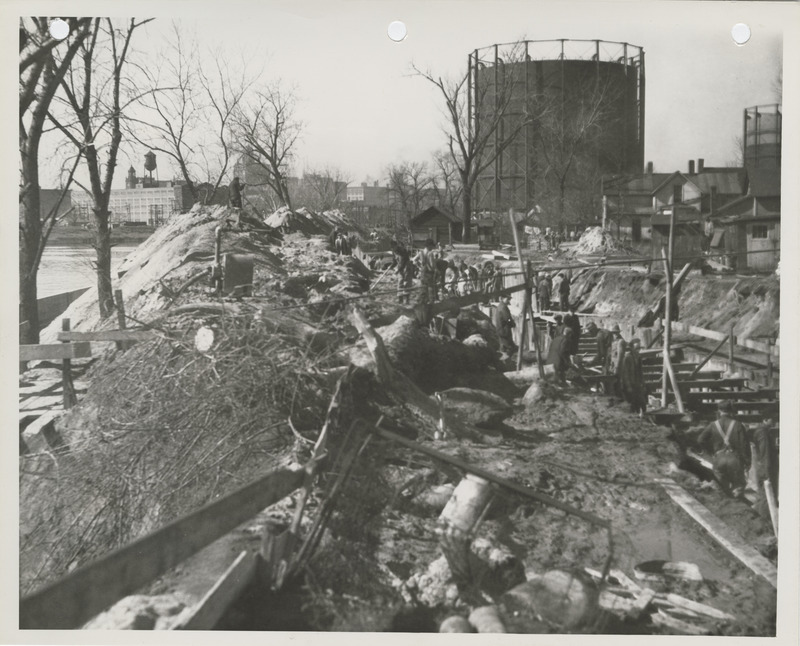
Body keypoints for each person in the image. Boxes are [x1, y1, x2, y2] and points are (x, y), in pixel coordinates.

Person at [698, 401, 751, 497]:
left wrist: (712, 452)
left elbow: (700, 440)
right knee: (738, 488)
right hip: (735, 460)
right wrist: (747, 462)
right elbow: (744, 445)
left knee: (721, 490)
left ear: (719, 411)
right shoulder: (738, 425)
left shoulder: (713, 425)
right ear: (731, 411)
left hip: (719, 459)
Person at [752, 418, 779, 520]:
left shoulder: (763, 431)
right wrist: (767, 472)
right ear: (765, 419)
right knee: (767, 497)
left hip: (765, 468)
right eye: (773, 420)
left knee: (764, 496)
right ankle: (765, 521)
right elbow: (765, 454)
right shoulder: (763, 433)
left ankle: (762, 518)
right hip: (767, 468)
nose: (775, 422)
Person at [620, 338, 648, 416]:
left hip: (637, 383)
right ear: (632, 348)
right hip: (630, 384)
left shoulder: (638, 357)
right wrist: (628, 386)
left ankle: (642, 417)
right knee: (632, 403)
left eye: (639, 348)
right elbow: (625, 373)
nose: (638, 350)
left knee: (642, 403)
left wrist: (643, 383)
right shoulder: (627, 358)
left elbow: (640, 371)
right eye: (636, 348)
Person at [493, 294, 517, 359]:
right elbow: (507, 318)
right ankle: (508, 361)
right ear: (503, 298)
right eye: (507, 299)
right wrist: (512, 323)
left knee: (503, 346)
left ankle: (505, 359)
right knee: (508, 347)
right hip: (504, 331)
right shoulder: (503, 307)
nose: (508, 300)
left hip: (500, 330)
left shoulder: (500, 306)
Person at [391, 240, 413, 305]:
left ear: (396, 246)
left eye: (393, 247)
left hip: (407, 267)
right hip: (400, 267)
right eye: (392, 248)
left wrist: (398, 270)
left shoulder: (402, 250)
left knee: (406, 283)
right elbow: (395, 261)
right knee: (400, 282)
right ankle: (400, 300)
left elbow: (403, 262)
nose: (393, 249)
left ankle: (406, 300)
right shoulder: (394, 251)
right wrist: (391, 266)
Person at [417, 239, 438, 303]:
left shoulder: (421, 252)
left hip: (423, 272)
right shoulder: (430, 253)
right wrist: (435, 268)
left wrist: (419, 267)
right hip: (429, 273)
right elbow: (432, 265)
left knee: (423, 288)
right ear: (429, 246)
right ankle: (431, 302)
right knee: (430, 287)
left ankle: (421, 302)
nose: (432, 248)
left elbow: (414, 260)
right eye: (432, 246)